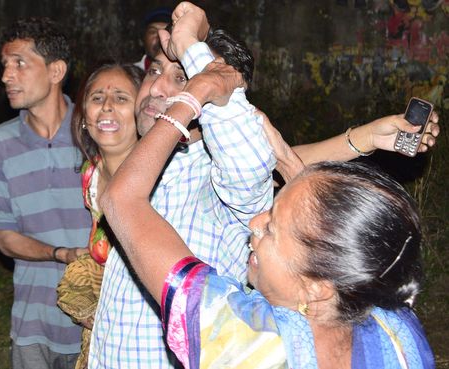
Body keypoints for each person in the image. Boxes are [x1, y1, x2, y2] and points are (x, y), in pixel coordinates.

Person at [89, 2, 440, 368]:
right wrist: (363, 138)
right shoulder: (395, 336)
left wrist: (201, 77)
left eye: (182, 77)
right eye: (155, 70)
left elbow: (249, 159)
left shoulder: (252, 346)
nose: (159, 87)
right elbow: (286, 171)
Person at [0, 17, 92, 369]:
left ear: (56, 71)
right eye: (5, 65)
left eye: (19, 64)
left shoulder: (96, 134)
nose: (6, 76)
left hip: (96, 320)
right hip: (32, 321)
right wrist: (62, 253)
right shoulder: (0, 143)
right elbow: (5, 239)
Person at [56, 62, 144, 369]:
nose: (107, 106)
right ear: (84, 117)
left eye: (121, 98)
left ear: (142, 110)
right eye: (96, 98)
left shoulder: (160, 176)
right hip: (105, 328)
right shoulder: (90, 173)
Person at [134, 6, 172, 71]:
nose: (160, 36)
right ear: (143, 39)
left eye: (166, 31)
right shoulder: (128, 76)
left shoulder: (189, 75)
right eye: (153, 32)